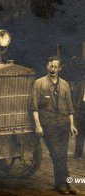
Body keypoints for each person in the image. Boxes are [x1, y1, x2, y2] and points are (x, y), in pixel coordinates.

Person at [30, 56, 78, 195]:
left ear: (60, 68)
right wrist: (38, 125)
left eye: (56, 67)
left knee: (62, 155)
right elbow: (34, 107)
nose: (53, 69)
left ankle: (62, 183)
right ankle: (66, 183)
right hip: (47, 124)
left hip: (63, 124)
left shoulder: (65, 84)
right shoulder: (38, 84)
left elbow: (70, 106)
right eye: (51, 66)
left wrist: (72, 124)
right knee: (56, 154)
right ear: (47, 67)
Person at [73, 79, 85, 159]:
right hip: (82, 110)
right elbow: (74, 97)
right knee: (80, 132)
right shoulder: (81, 84)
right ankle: (78, 154)